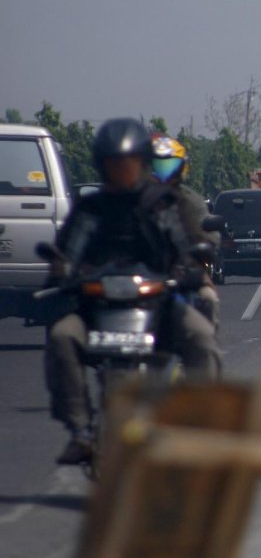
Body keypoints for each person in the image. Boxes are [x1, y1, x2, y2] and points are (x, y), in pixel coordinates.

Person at [44, 118, 221, 465]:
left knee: (201, 338)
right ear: (103, 166)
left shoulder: (162, 205)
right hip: (97, 308)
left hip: (157, 304)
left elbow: (182, 248)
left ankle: (204, 424)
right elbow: (68, 252)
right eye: (115, 165)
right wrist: (62, 272)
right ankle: (80, 430)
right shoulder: (90, 210)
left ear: (142, 163)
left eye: (129, 164)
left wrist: (190, 271)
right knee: (63, 336)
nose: (122, 171)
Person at [150, 133, 221, 327]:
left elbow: (207, 236)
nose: (163, 176)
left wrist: (202, 251)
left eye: (169, 167)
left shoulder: (191, 202)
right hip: (139, 277)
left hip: (179, 277)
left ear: (181, 168)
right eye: (157, 167)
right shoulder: (131, 202)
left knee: (208, 299)